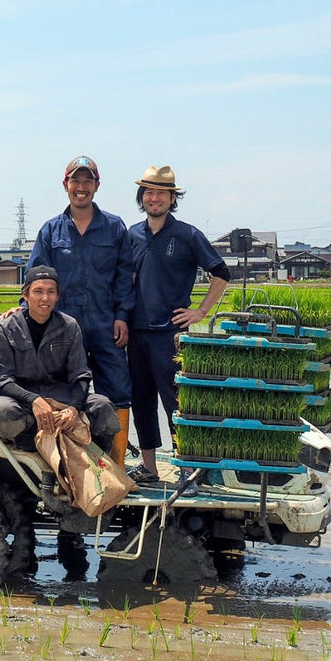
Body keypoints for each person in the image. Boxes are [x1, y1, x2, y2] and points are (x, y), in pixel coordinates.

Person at [126, 164, 231, 483]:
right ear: (141, 197)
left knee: (176, 402)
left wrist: (200, 312)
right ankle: (149, 467)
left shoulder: (187, 234)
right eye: (149, 192)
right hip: (135, 333)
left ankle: (187, 467)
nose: (154, 198)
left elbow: (221, 273)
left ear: (173, 199)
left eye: (162, 193)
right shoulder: (131, 235)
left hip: (169, 335)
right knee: (141, 401)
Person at [26, 156, 134, 465]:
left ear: (97, 186)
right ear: (66, 185)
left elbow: (125, 276)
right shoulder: (51, 231)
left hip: (105, 325)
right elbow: (37, 275)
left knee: (117, 392)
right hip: (62, 329)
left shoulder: (114, 228)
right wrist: (23, 310)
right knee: (64, 393)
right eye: (76, 181)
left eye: (88, 181)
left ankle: (116, 466)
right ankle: (69, 466)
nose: (81, 187)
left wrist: (122, 315)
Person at [0, 265, 121, 455]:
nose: (45, 298)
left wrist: (74, 409)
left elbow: (81, 375)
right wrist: (33, 400)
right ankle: (31, 450)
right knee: (3, 412)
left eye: (51, 292)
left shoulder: (69, 326)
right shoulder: (7, 328)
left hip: (59, 394)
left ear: (58, 296)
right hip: (20, 397)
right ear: (25, 295)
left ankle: (97, 461)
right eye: (38, 291)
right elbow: (0, 379)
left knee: (103, 406)